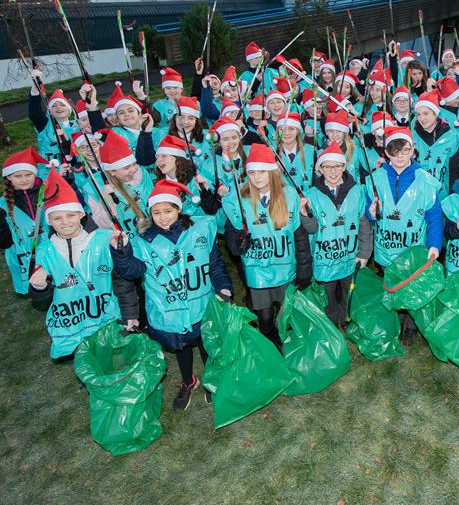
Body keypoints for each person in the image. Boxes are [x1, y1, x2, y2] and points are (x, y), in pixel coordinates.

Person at [111, 179, 233, 410]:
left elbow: (215, 263)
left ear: (179, 208)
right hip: (168, 310)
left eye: (168, 211)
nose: (163, 217)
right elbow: (131, 272)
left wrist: (223, 287)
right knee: (180, 346)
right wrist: (122, 253)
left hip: (201, 303)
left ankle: (211, 379)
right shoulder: (143, 241)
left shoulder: (200, 229)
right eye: (157, 212)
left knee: (206, 342)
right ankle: (188, 381)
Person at [29, 170, 129, 360]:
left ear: (81, 214)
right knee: (89, 361)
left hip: (104, 316)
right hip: (72, 322)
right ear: (49, 220)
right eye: (57, 218)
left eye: (70, 215)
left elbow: (126, 275)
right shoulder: (44, 250)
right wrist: (39, 287)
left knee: (112, 359)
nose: (65, 222)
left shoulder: (102, 239)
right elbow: (40, 295)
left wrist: (124, 252)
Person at [222, 143, 310, 346]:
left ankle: (289, 347)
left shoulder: (289, 196)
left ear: (273, 172)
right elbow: (231, 232)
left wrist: (304, 269)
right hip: (258, 273)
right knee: (265, 318)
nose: (257, 177)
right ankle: (271, 350)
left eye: (262, 171)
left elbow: (300, 237)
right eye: (251, 172)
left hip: (285, 269)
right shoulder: (239, 199)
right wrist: (237, 242)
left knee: (286, 314)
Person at [365, 126, 443, 342]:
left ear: (413, 150)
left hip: (413, 249)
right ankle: (396, 318)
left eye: (405, 150)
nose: (400, 156)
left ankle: (410, 322)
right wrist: (371, 213)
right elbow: (368, 211)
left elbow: (434, 216)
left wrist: (435, 244)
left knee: (412, 285)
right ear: (386, 152)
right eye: (394, 151)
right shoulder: (376, 178)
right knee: (391, 284)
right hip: (386, 247)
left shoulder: (425, 180)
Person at [301, 142, 373, 327]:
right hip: (324, 259)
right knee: (328, 294)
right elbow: (311, 229)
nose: (333, 172)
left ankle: (348, 317)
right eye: (327, 166)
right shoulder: (312, 195)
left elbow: (363, 224)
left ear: (344, 166)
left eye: (337, 166)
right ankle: (332, 321)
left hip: (350, 256)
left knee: (349, 292)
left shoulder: (357, 192)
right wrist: (304, 214)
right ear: (320, 168)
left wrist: (364, 253)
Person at [0, 148, 50, 294]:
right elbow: (5, 243)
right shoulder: (3, 205)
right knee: (39, 292)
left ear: (35, 173)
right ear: (9, 177)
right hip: (23, 257)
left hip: (51, 251)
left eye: (28, 174)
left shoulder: (48, 192)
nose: (24, 179)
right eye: (18, 176)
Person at [411, 90, 459, 200]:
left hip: (443, 196)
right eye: (418, 114)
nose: (421, 119)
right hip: (417, 198)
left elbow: (454, 170)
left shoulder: (451, 137)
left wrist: (452, 197)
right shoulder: (412, 138)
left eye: (426, 113)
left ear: (436, 113)